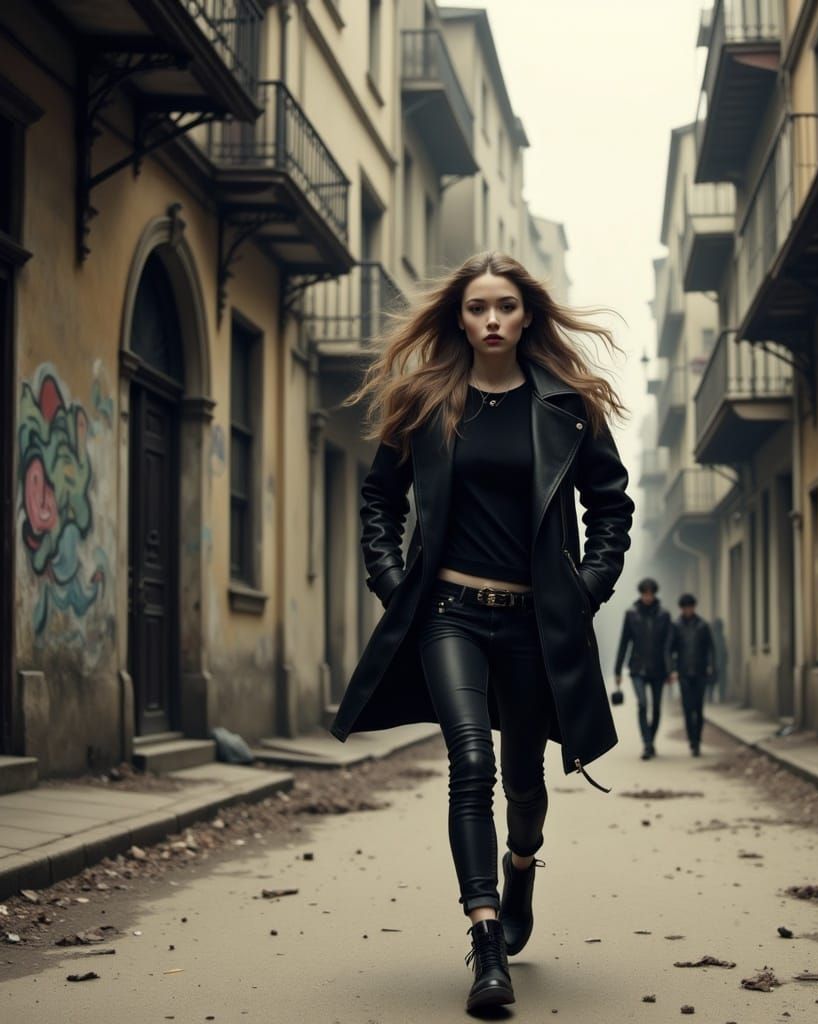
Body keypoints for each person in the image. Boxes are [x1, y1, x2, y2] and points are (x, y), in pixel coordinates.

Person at [328, 252, 634, 1013]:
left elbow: (612, 507)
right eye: (476, 307)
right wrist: (395, 587)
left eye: (504, 306)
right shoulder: (425, 400)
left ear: (527, 314)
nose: (491, 319)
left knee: (524, 776)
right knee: (472, 761)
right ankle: (487, 938)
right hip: (448, 616)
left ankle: (521, 863)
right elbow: (379, 501)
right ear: (458, 317)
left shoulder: (566, 405)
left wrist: (585, 589)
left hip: (531, 620)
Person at [613, 577, 674, 759]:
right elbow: (624, 642)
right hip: (637, 667)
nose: (647, 596)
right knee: (642, 704)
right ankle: (647, 744)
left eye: (650, 593)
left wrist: (670, 670)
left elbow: (668, 646)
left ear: (654, 594)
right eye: (645, 593)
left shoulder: (664, 615)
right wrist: (617, 670)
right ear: (641, 594)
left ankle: (651, 740)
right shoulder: (631, 614)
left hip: (658, 668)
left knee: (656, 707)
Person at [668, 593, 715, 756]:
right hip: (684, 673)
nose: (688, 610)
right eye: (685, 607)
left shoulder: (703, 626)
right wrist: (672, 669)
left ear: (694, 607)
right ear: (681, 608)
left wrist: (711, 667)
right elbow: (670, 649)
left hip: (700, 672)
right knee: (688, 709)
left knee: (699, 708)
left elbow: (710, 649)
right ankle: (692, 741)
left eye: (690, 607)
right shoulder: (676, 626)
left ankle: (698, 739)